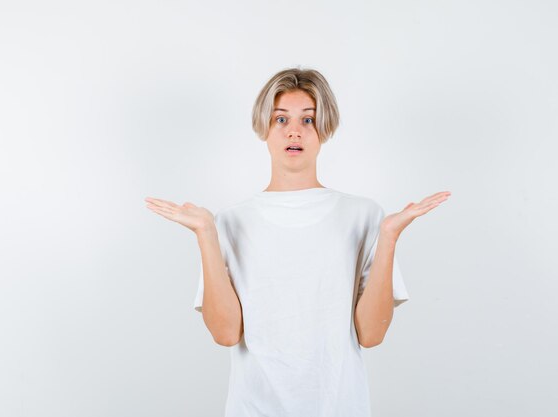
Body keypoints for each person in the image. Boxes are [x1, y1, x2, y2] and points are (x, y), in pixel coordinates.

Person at [145, 67, 451, 417]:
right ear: (264, 128)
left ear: (325, 129)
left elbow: (370, 335)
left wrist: (389, 236)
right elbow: (226, 333)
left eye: (308, 120)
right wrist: (205, 233)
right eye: (280, 119)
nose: (294, 130)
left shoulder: (363, 215)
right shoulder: (229, 222)